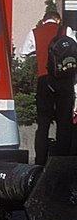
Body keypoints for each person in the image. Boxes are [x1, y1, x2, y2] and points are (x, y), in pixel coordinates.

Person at [20, 9, 76, 164]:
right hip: (64, 81)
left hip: (44, 80)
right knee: (64, 123)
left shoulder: (35, 32)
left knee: (43, 123)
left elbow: (23, 52)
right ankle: (62, 161)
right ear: (57, 20)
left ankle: (40, 161)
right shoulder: (66, 30)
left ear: (44, 20)